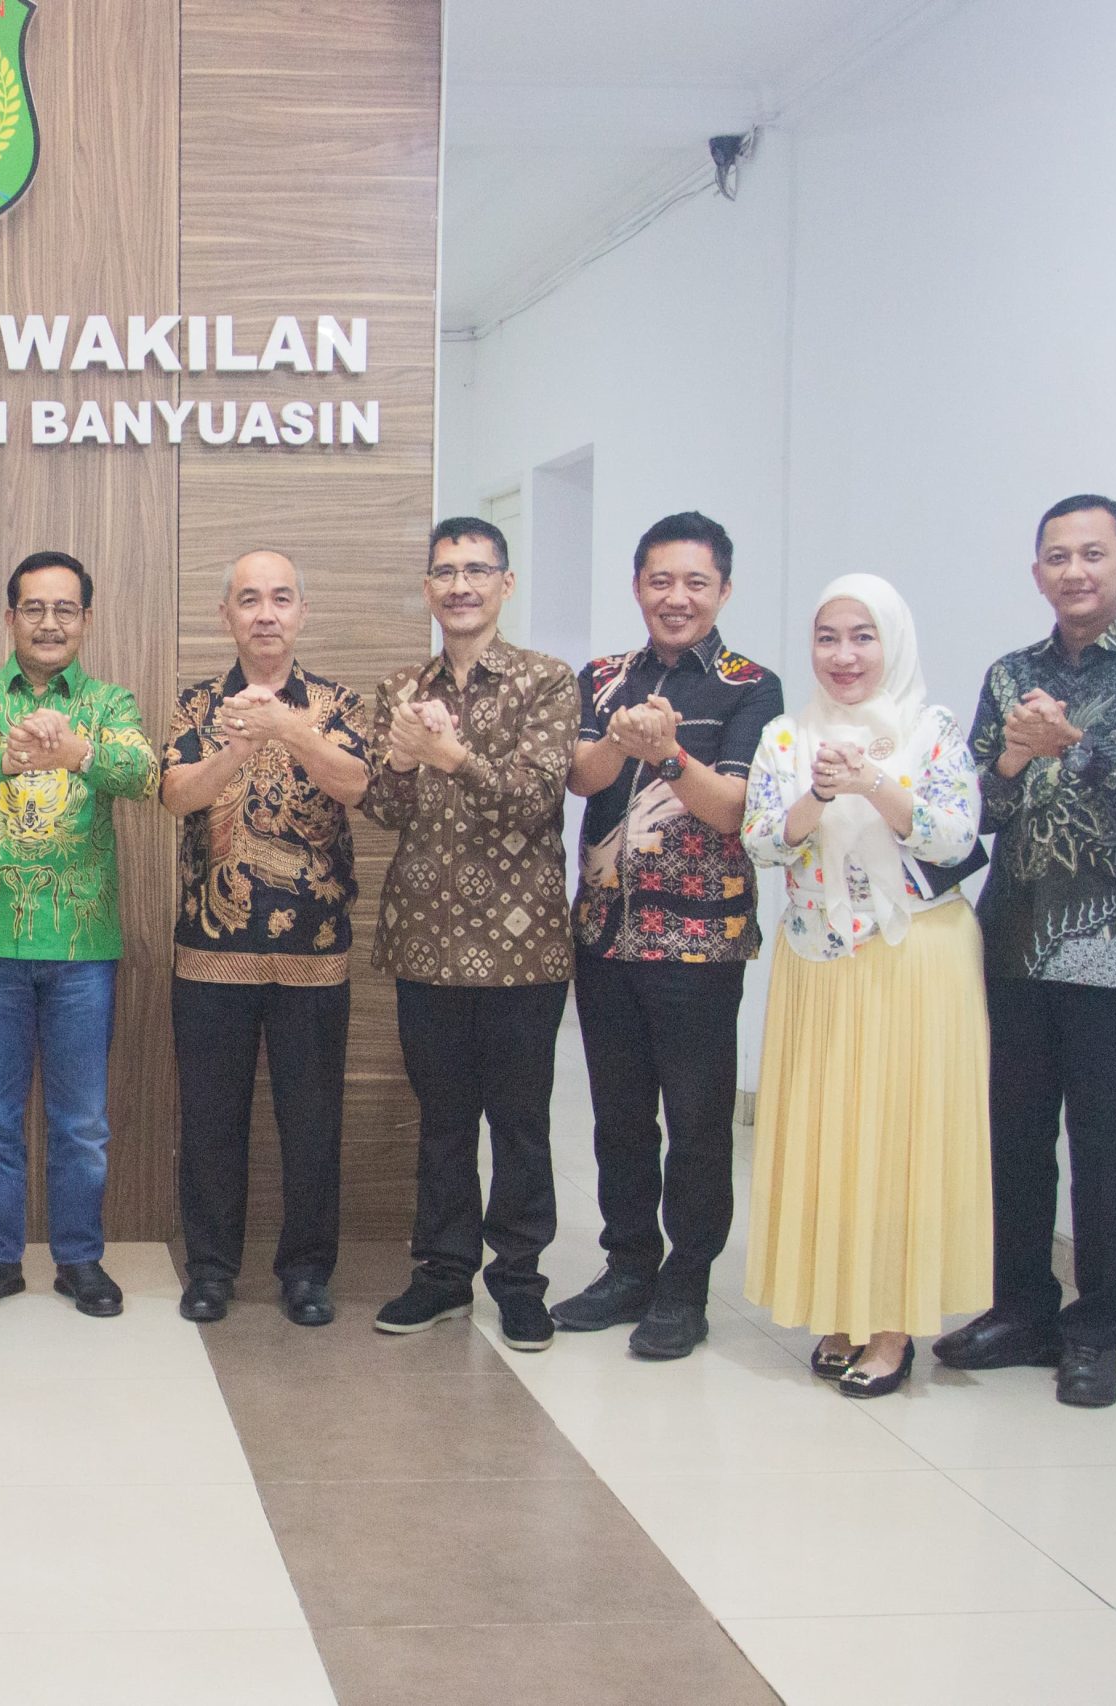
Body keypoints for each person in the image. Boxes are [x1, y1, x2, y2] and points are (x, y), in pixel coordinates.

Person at [935, 495, 1116, 1408]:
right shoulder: (1010, 673)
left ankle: (1095, 1333)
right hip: (1014, 945)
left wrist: (1079, 748)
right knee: (1013, 1144)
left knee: (1109, 1153)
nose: (1075, 571)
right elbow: (971, 810)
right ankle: (1021, 1311)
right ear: (1037, 574)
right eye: (1057, 557)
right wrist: (1015, 759)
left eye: (1093, 554)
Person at [741, 575, 991, 1398]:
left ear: (894, 642)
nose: (843, 655)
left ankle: (892, 1328)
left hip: (917, 959)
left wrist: (875, 782)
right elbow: (762, 843)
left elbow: (954, 835)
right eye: (828, 637)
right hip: (821, 963)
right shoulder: (786, 737)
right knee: (830, 1137)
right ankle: (840, 1310)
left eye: (862, 636)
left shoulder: (931, 729)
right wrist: (819, 790)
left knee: (902, 1137)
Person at [553, 512, 786, 1360]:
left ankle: (686, 1284)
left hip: (699, 946)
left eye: (695, 582)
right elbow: (581, 779)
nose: (676, 597)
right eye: (661, 581)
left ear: (723, 589)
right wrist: (623, 743)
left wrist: (671, 756)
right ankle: (628, 1267)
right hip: (605, 936)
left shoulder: (751, 687)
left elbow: (733, 810)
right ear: (637, 586)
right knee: (619, 1120)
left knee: (696, 1122)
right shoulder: (603, 677)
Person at [364, 519, 578, 1353]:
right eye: (446, 572)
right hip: (426, 940)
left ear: (505, 584)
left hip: (524, 948)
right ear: (427, 588)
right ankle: (443, 1275)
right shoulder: (400, 688)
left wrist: (451, 756)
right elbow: (383, 808)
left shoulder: (546, 681)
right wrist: (405, 761)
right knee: (442, 1122)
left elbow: (537, 796)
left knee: (520, 1123)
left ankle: (520, 1283)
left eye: (477, 570)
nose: (460, 586)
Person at [0, 550, 160, 1319]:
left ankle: (79, 1260)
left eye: (65, 609)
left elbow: (141, 772)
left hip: (81, 945)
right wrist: (9, 752)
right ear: (11, 618)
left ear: (86, 620)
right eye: (34, 608)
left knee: (82, 1123)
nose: (50, 623)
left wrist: (78, 752)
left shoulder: (110, 702)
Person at [159, 549, 369, 1326]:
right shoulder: (195, 705)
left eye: (281, 598)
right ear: (227, 616)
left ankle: (307, 1271)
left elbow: (357, 785)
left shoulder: (338, 703)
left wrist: (290, 729)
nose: (266, 614)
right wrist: (239, 747)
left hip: (314, 953)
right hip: (211, 950)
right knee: (211, 1122)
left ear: (302, 612)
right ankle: (212, 1269)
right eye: (249, 600)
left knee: (312, 1124)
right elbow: (176, 795)